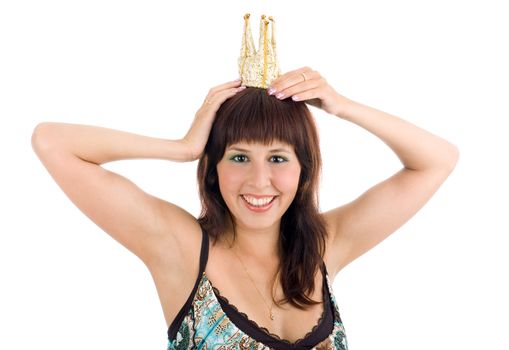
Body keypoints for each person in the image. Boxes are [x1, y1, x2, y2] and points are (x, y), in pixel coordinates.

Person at [31, 16, 459, 350]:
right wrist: (181, 147)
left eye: (277, 158)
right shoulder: (180, 247)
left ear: (303, 169)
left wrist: (342, 106)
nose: (260, 181)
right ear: (213, 167)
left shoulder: (325, 247)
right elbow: (51, 141)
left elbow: (437, 160)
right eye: (239, 157)